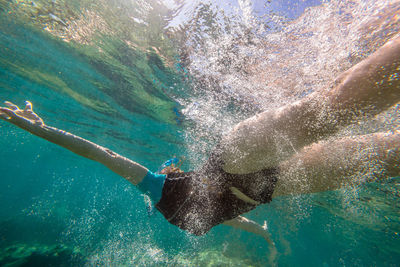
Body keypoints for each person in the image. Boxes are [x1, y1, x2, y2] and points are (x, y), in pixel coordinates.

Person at [1, 36, 399, 243]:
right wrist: (267, 239)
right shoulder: (172, 202)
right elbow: (242, 223)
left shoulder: (159, 191)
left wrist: (41, 129)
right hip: (270, 187)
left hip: (236, 159)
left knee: (335, 108)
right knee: (383, 159)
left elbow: (101, 153)